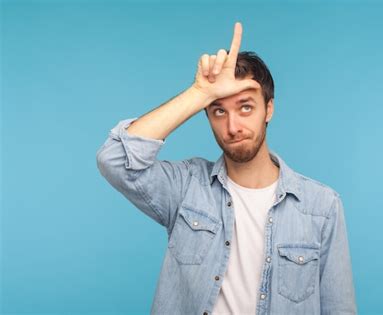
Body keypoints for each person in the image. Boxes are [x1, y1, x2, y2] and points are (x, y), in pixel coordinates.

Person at [96, 21, 357, 315]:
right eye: (219, 111)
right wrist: (198, 93)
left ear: (268, 109)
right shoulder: (186, 188)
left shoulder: (322, 206)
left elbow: (339, 309)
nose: (233, 127)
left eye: (246, 107)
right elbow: (115, 159)